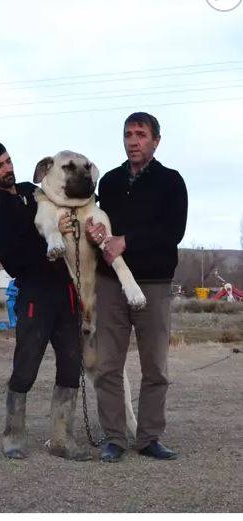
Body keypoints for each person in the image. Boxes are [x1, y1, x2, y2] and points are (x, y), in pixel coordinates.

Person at [0, 141, 91, 461]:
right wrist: (50, 236)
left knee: (70, 363)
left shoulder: (31, 190)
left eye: (8, 161)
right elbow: (14, 261)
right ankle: (13, 435)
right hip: (35, 293)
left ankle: (62, 438)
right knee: (26, 365)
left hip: (67, 292)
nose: (7, 168)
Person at [86, 112, 188, 462]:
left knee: (155, 368)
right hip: (111, 284)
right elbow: (100, 225)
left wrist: (126, 241)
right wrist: (94, 233)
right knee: (107, 366)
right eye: (128, 134)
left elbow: (173, 231)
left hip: (155, 285)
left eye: (141, 134)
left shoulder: (171, 181)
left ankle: (148, 438)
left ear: (155, 140)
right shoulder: (111, 182)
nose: (133, 140)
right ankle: (114, 437)